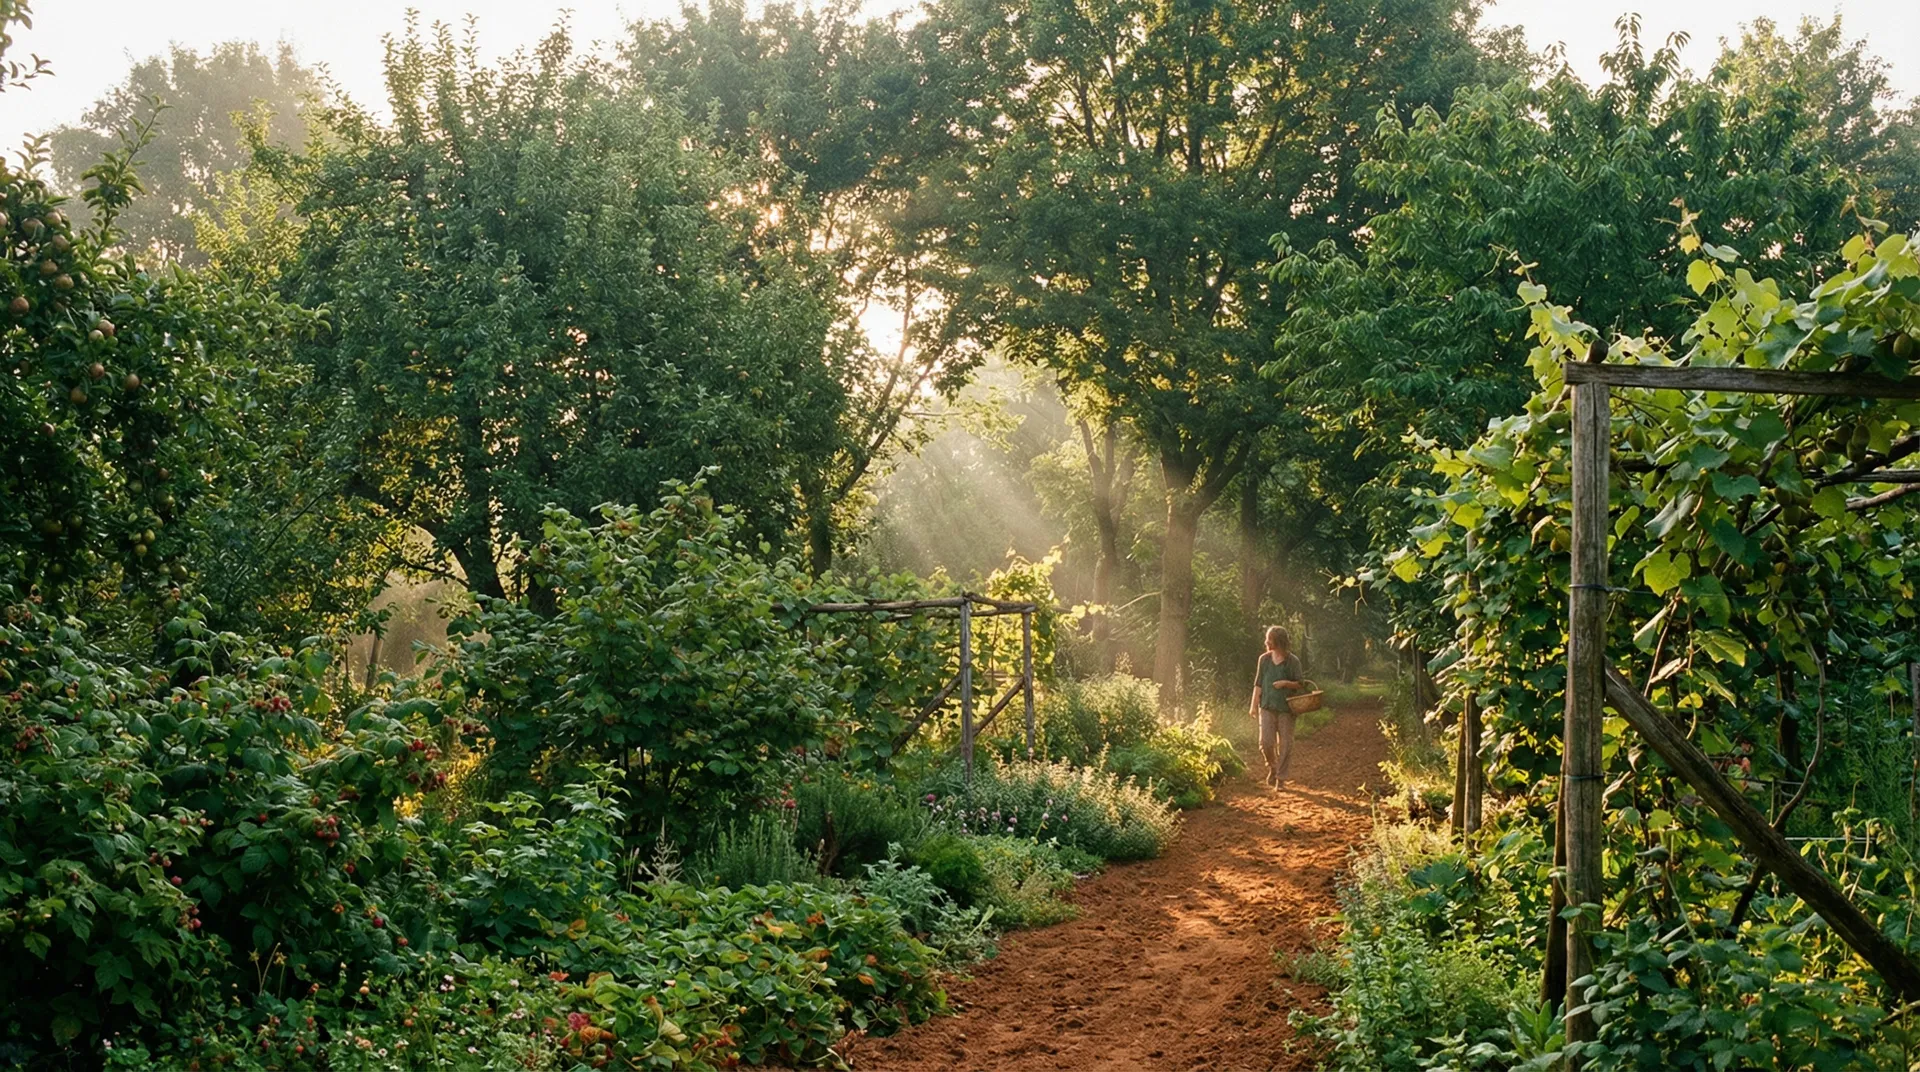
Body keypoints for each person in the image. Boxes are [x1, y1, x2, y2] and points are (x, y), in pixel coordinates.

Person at [1249, 626, 1305, 789]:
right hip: (1266, 706)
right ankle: (1273, 767)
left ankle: (1281, 778)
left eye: (1269, 639)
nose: (1266, 642)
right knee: (1266, 742)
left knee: (1286, 744)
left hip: (1286, 709)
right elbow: (1258, 683)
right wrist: (1253, 705)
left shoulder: (1292, 661)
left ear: (1279, 641)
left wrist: (1286, 683)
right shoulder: (1264, 659)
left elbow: (1300, 683)